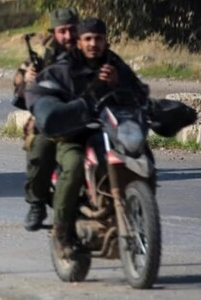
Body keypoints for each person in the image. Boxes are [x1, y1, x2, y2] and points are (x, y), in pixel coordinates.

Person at [25, 18, 148, 258]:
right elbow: (35, 92)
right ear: (79, 43)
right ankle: (61, 233)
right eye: (88, 39)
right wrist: (52, 110)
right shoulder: (63, 68)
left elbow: (140, 94)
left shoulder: (115, 65)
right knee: (73, 166)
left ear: (106, 41)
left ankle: (139, 210)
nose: (94, 44)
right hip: (72, 135)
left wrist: (118, 84)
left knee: (141, 155)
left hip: (108, 132)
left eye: (98, 39)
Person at [16, 8, 80, 232]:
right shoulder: (42, 57)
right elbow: (20, 95)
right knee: (41, 148)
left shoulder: (89, 48)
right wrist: (27, 81)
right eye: (63, 31)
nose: (69, 36)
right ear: (54, 32)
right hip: (52, 119)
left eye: (73, 30)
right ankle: (37, 203)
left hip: (86, 115)